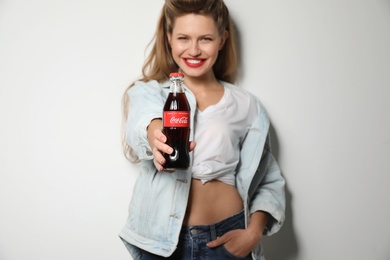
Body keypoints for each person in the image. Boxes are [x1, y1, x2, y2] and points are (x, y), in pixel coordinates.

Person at [119, 0, 286, 259]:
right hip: (163, 246)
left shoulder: (246, 104)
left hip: (228, 239)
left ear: (222, 39)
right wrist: (156, 135)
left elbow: (267, 179)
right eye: (183, 38)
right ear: (169, 39)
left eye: (205, 39)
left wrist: (253, 232)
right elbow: (145, 121)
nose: (194, 50)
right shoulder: (149, 93)